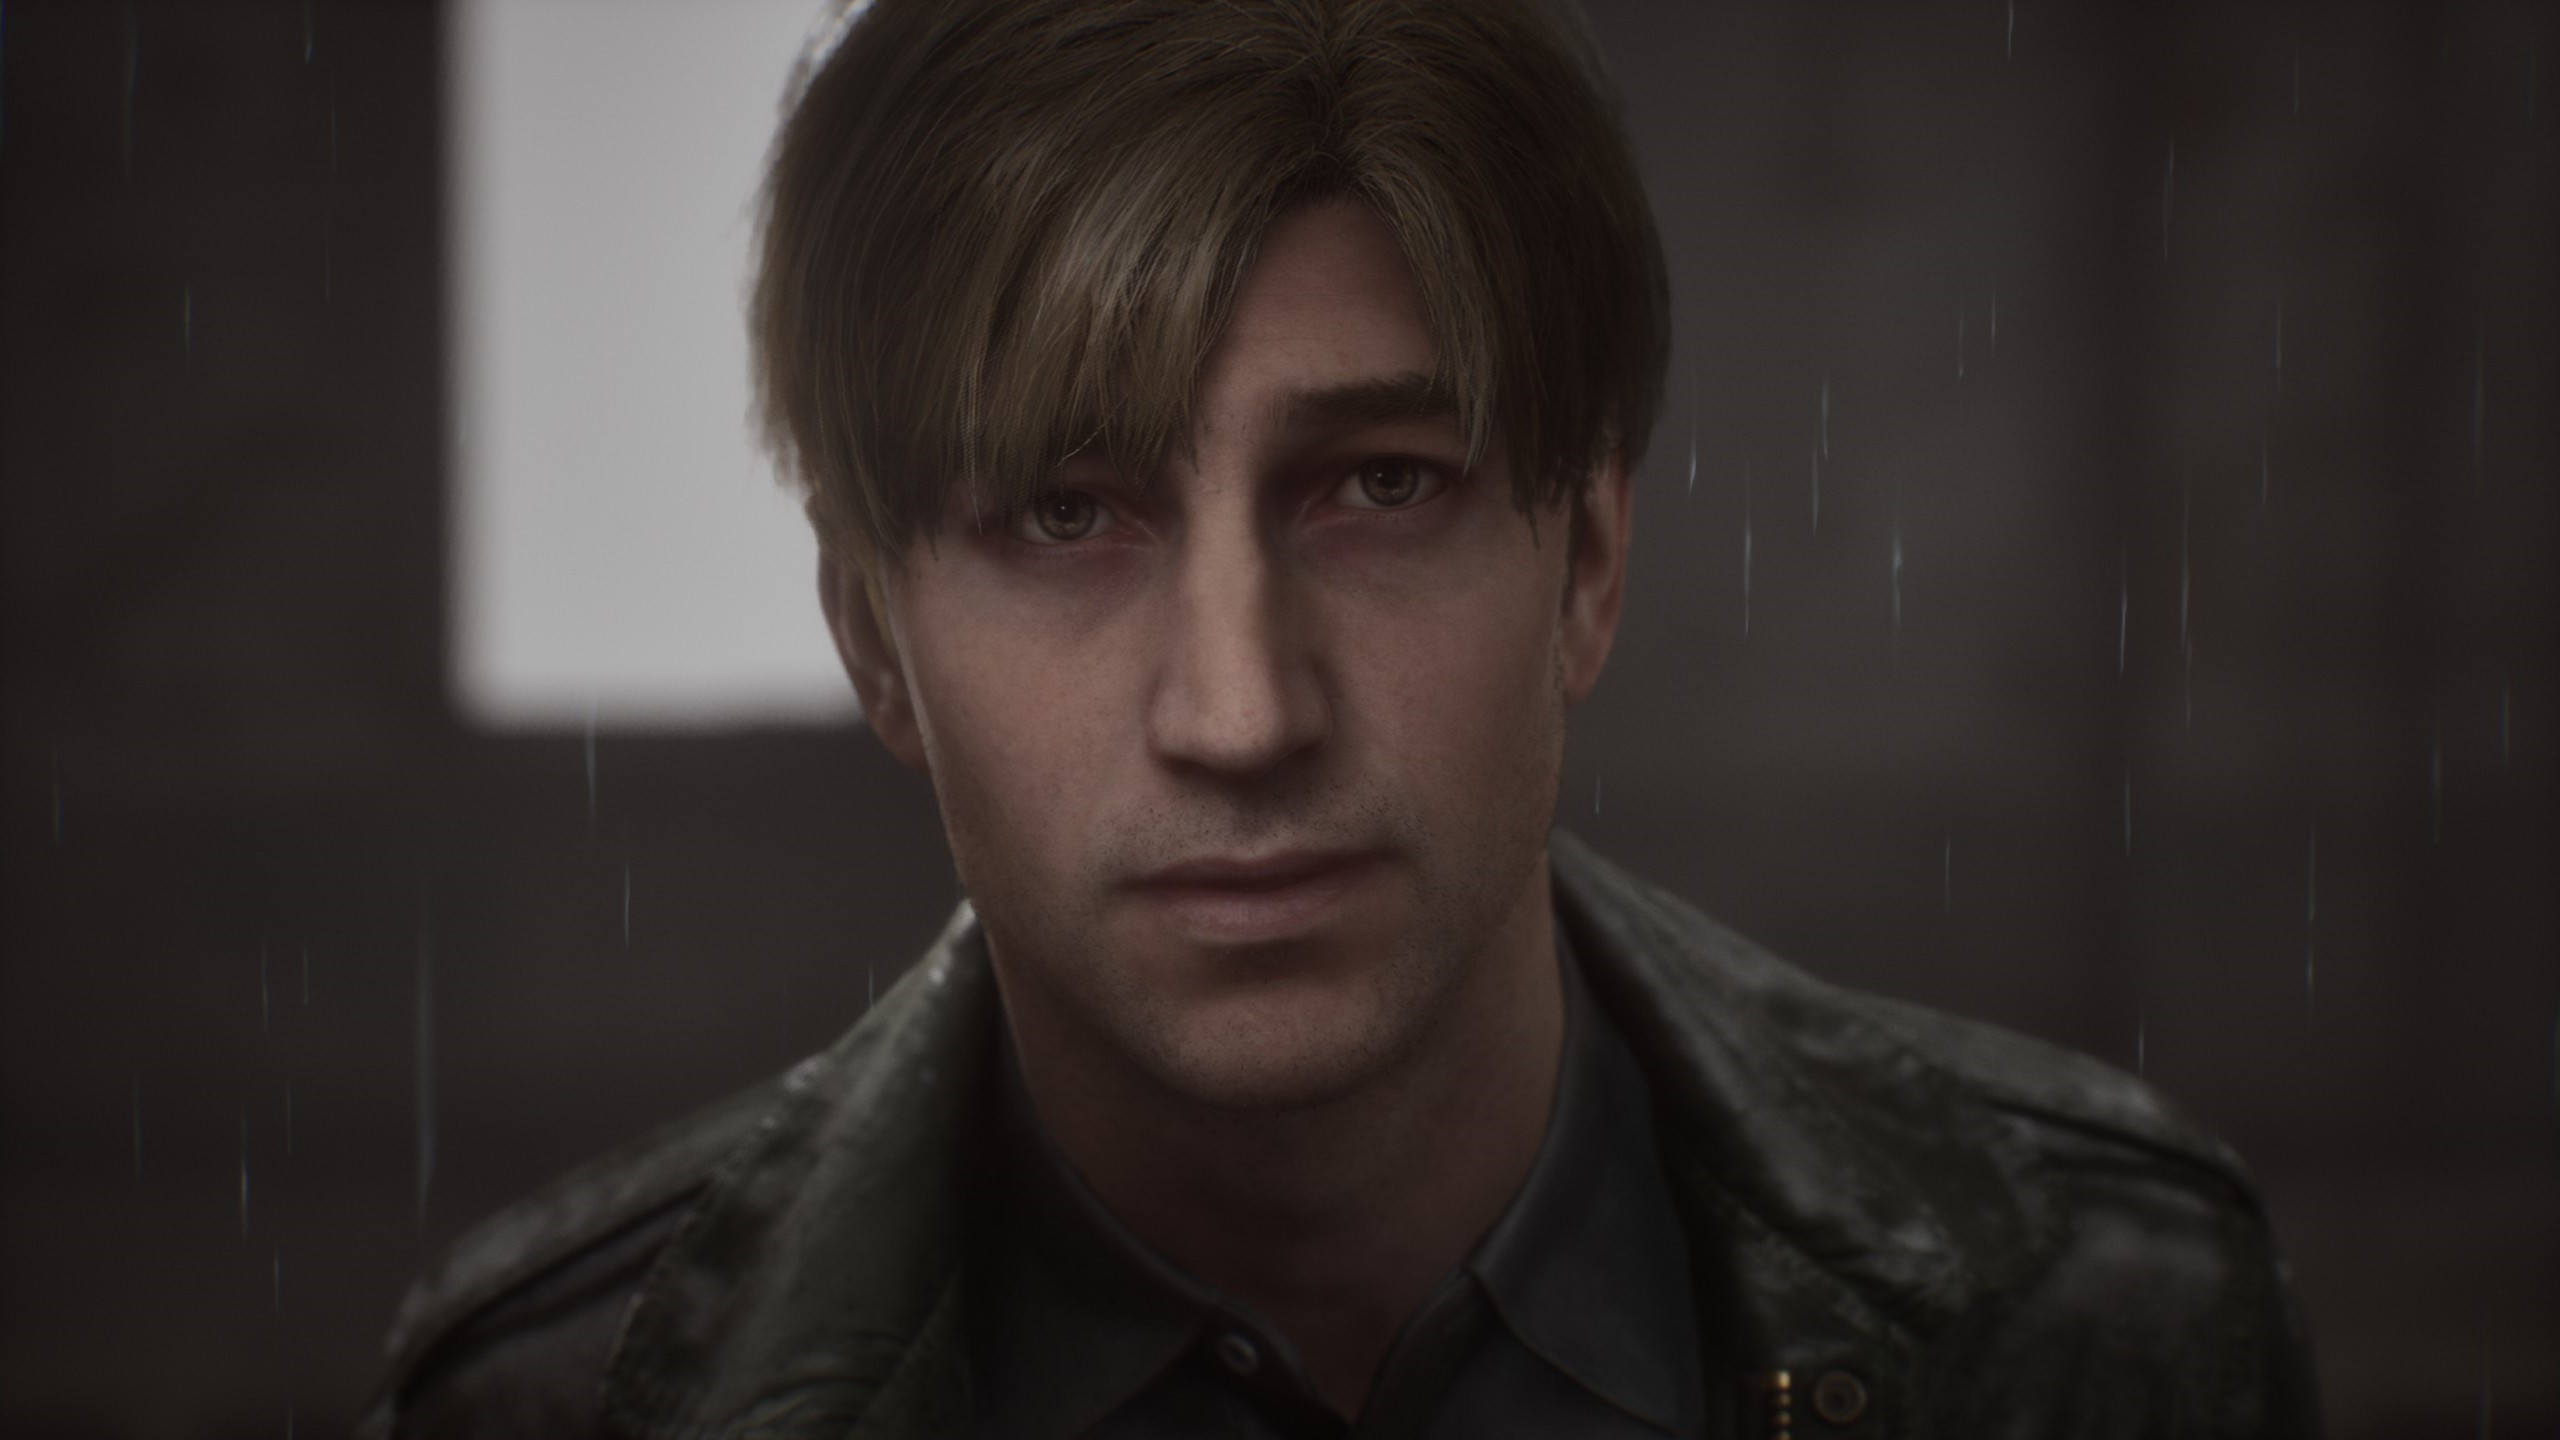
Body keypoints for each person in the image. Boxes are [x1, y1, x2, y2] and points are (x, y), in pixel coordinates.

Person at [362, 1, 2321, 1435]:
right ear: (874, 640)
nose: (1241, 713)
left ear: (1583, 563)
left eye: (1379, 485)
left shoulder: (2102, 1314)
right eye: (1066, 514)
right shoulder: (553, 1408)